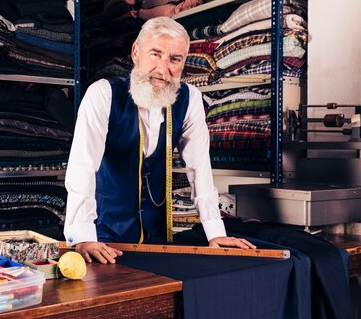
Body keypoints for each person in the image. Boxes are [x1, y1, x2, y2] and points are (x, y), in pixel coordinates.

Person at [63, 17, 256, 264]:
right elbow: (83, 166)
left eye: (175, 59)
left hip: (159, 236)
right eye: (155, 54)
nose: (163, 68)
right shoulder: (103, 93)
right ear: (136, 52)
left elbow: (200, 167)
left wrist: (215, 232)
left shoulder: (190, 99)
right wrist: (83, 236)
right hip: (103, 235)